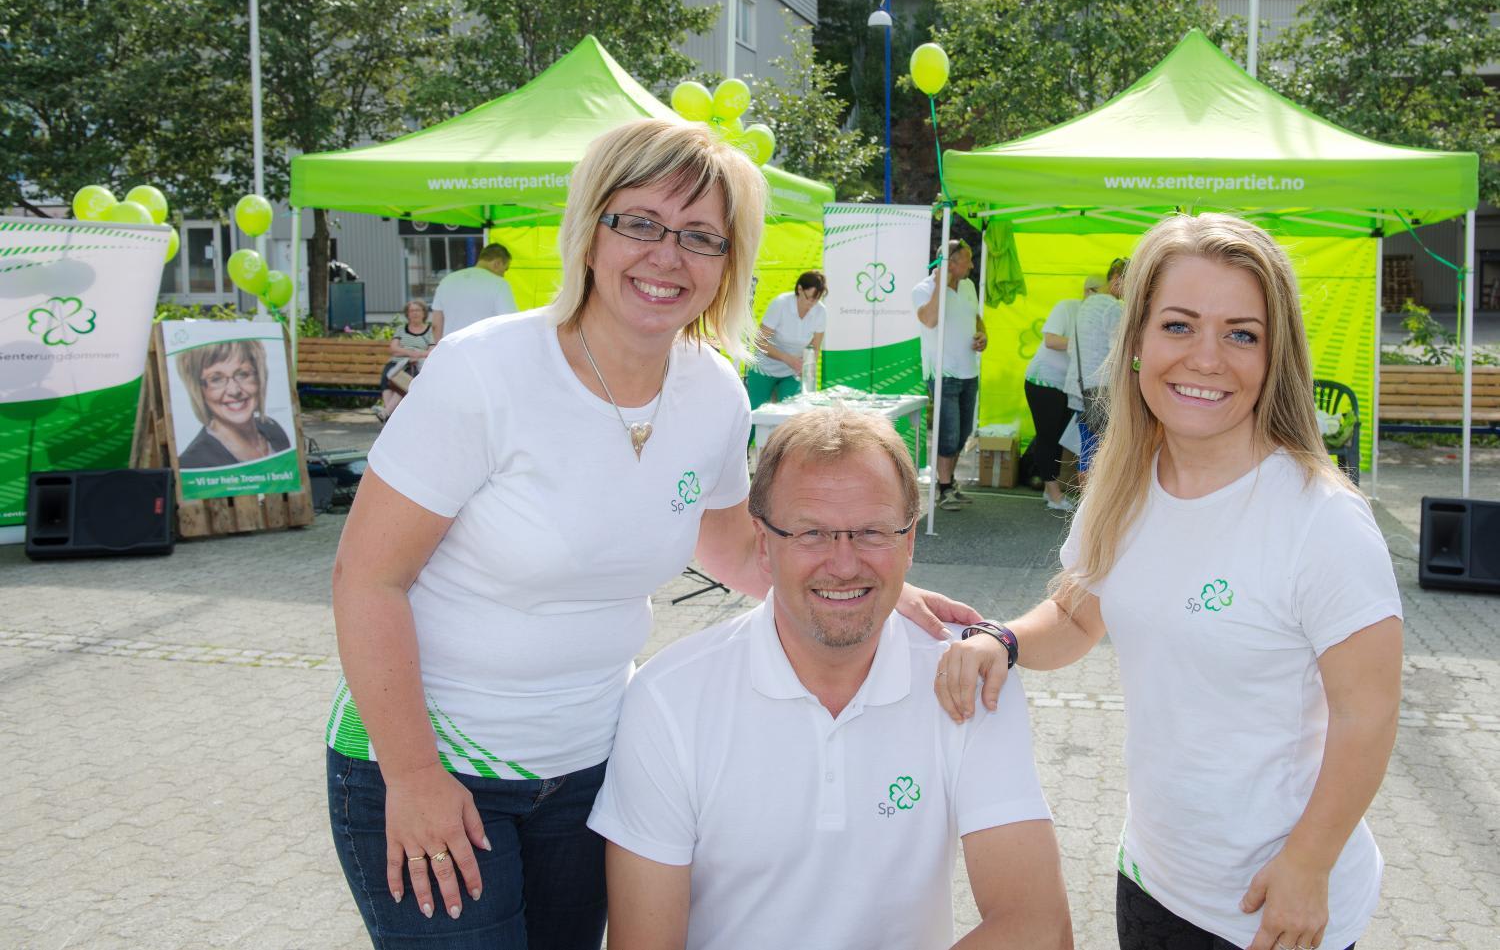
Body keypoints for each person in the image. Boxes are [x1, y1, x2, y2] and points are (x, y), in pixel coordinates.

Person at [325, 118, 979, 950]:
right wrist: (413, 773)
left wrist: (884, 593)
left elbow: (737, 548)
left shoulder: (713, 394)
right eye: (640, 222)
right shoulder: (485, 372)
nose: (667, 256)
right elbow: (366, 578)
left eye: (701, 236)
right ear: (590, 230)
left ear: (728, 263)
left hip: (590, 768)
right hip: (430, 759)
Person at [937, 213, 1403, 950]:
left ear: (1276, 355)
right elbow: (1079, 616)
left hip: (1272, 903)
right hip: (1152, 876)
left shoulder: (1322, 519)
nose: (1206, 358)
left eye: (1241, 334)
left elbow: (1367, 714)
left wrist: (1310, 863)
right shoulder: (1125, 483)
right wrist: (1003, 640)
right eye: (1179, 325)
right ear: (1137, 343)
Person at [590, 407, 1072, 950]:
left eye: (872, 532)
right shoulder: (669, 699)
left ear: (909, 542)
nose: (844, 565)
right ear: (763, 544)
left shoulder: (968, 676)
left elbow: (1038, 926)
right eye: (812, 533)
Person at [913, 240, 987, 511]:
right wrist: (940, 285)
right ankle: (944, 489)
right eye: (967, 260)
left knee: (962, 433)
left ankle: (949, 483)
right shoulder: (923, 289)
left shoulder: (968, 286)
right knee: (948, 432)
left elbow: (975, 318)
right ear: (951, 264)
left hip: (969, 371)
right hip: (942, 373)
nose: (972, 265)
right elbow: (929, 320)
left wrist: (983, 335)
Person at [174, 339, 291, 469]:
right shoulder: (193, 463)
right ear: (197, 389)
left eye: (243, 374)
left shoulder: (273, 429)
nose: (234, 390)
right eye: (216, 379)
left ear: (259, 377)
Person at [1019, 284, 1081, 511]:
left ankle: (1050, 490)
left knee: (1056, 438)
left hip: (1067, 386)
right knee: (1047, 437)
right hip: (1043, 381)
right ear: (1089, 291)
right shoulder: (1067, 307)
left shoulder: (1105, 316)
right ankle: (1054, 496)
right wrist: (1083, 343)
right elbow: (1051, 340)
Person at [1064, 261, 1126, 475]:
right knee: (1101, 454)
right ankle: (1095, 498)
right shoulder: (1113, 307)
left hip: (1079, 388)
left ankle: (1085, 498)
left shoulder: (1086, 305)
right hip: (1101, 391)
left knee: (1087, 449)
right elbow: (1118, 353)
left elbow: (1071, 348)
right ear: (1116, 278)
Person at [744, 270, 828, 408]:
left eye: (816, 299)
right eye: (809, 298)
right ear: (800, 289)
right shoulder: (781, 304)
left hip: (791, 373)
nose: (812, 304)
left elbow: (815, 348)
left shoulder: (820, 311)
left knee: (792, 413)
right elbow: (759, 342)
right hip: (765, 368)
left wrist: (806, 368)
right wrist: (787, 359)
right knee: (755, 414)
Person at [430, 243, 518, 340]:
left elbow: (436, 326)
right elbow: (509, 323)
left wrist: (439, 347)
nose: (503, 274)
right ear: (497, 263)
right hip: (484, 347)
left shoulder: (446, 281)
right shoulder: (500, 284)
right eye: (505, 269)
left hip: (452, 346)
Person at [377, 299, 437, 421]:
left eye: (417, 310)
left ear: (424, 313)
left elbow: (432, 351)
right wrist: (412, 353)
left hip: (416, 364)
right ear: (407, 314)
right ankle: (389, 415)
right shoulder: (401, 329)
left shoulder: (429, 330)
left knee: (404, 380)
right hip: (397, 362)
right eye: (411, 311)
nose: (415, 313)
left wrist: (413, 354)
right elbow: (393, 348)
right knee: (387, 376)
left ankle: (387, 413)